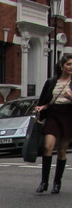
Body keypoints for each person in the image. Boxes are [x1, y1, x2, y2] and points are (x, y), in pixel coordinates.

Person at [34, 53, 72, 194]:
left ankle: (57, 183)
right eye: (68, 64)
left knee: (62, 151)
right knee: (47, 146)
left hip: (68, 116)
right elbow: (47, 101)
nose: (70, 67)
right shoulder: (52, 82)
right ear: (62, 66)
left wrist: (70, 96)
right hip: (53, 115)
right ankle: (44, 182)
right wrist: (41, 107)